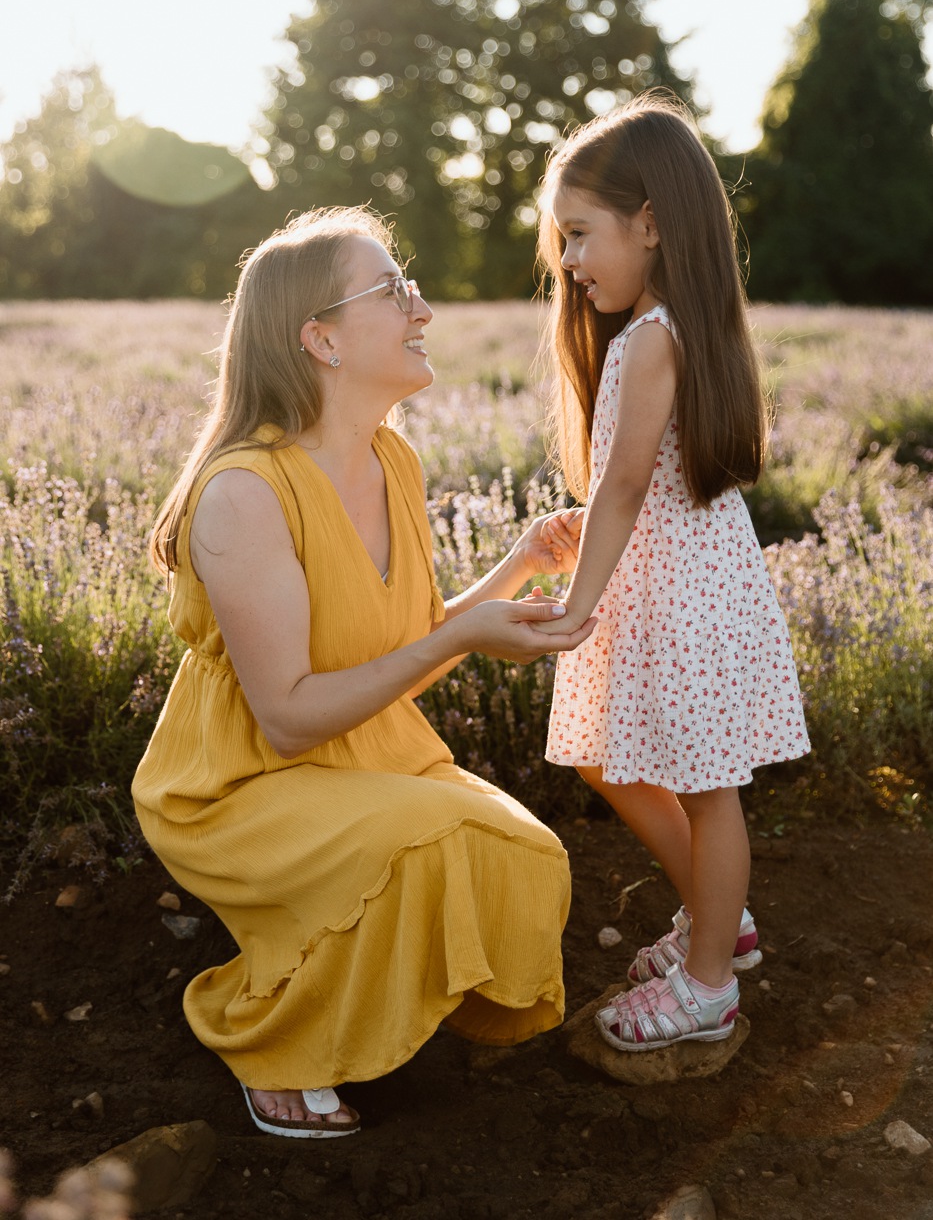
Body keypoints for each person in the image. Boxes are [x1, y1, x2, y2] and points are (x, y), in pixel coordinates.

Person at [132, 206, 594, 1138]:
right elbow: (292, 720)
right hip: (243, 784)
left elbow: (398, 646)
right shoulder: (244, 493)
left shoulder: (392, 459)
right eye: (394, 290)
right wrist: (463, 641)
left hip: (363, 752)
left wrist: (517, 565)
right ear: (321, 339)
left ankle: (376, 1001)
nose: (421, 307)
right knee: (425, 843)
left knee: (527, 855)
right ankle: (268, 1033)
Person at [533, 92, 810, 1053]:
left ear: (649, 223)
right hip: (680, 572)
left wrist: (575, 608)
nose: (568, 262)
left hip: (677, 593)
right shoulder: (662, 328)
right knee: (608, 753)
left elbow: (619, 490)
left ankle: (707, 987)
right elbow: (633, 484)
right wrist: (594, 533)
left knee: (706, 785)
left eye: (579, 234)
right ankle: (716, 912)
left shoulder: (652, 339)